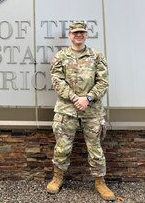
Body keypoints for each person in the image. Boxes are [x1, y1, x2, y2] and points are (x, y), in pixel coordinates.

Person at [46, 21, 115, 201]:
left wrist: (88, 98)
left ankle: (100, 181)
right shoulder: (60, 57)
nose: (79, 35)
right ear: (70, 35)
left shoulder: (96, 56)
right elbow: (57, 81)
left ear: (86, 35)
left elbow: (103, 82)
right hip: (66, 110)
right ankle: (57, 177)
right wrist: (76, 98)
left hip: (92, 111)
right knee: (62, 147)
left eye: (82, 32)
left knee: (95, 148)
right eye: (75, 32)